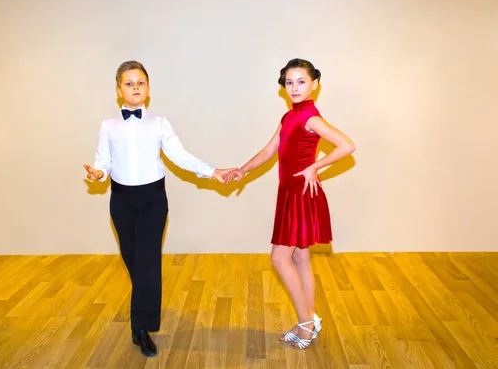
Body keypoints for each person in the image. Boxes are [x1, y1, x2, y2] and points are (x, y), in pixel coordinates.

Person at [83, 60, 235, 357]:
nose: (135, 87)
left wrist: (212, 171)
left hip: (153, 200)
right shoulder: (109, 125)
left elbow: (179, 156)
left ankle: (140, 328)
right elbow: (104, 160)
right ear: (118, 91)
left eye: (140, 82)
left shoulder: (159, 123)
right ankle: (143, 315)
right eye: (129, 83)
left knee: (148, 263)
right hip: (122, 201)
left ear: (148, 89)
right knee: (134, 263)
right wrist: (98, 173)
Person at [228, 58, 355, 349]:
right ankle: (308, 321)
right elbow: (269, 150)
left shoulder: (311, 117)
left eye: (301, 81)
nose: (294, 87)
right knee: (299, 258)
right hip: (290, 192)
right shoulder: (289, 117)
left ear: (314, 84)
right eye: (289, 82)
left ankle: (306, 323)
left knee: (278, 258)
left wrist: (315, 166)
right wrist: (242, 169)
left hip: (300, 193)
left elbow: (347, 145)